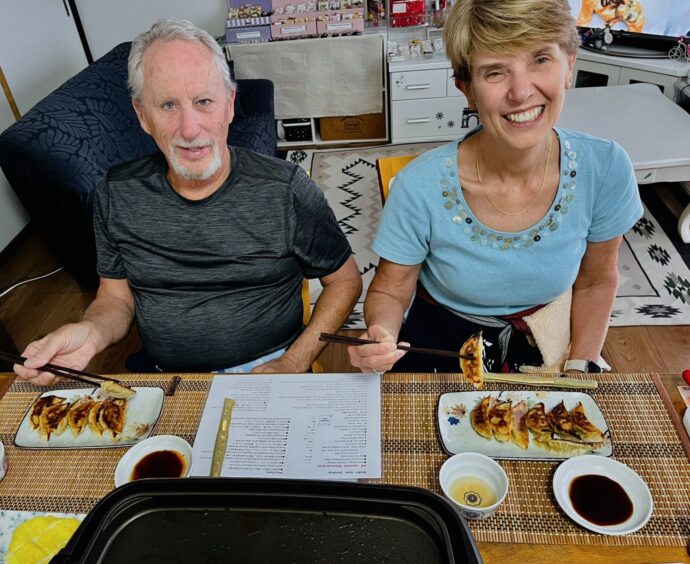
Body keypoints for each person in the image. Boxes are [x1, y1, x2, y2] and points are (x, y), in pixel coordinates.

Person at [14, 18, 362, 384]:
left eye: (204, 101)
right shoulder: (115, 193)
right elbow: (115, 299)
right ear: (142, 115)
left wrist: (294, 361)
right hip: (167, 377)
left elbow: (345, 281)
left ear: (229, 104)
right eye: (167, 105)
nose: (190, 129)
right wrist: (90, 331)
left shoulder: (287, 190)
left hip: (269, 369)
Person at [349, 0, 642, 375]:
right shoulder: (419, 186)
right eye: (494, 72)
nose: (521, 92)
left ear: (569, 64)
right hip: (439, 345)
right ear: (467, 89)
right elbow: (390, 291)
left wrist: (580, 364)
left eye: (540, 60)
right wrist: (382, 334)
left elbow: (596, 281)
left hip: (548, 340)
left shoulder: (605, 168)